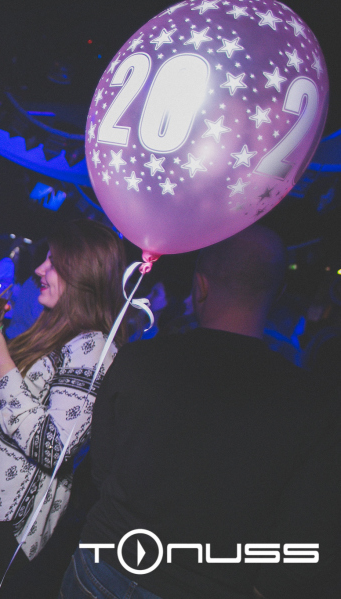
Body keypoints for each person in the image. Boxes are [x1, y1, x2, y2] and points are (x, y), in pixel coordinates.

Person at [62, 225, 340, 599]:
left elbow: (101, 468)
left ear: (201, 286)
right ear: (277, 293)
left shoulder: (139, 359)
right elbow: (308, 529)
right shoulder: (312, 403)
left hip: (104, 567)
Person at [0, 219, 126, 597]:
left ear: (83, 273)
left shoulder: (94, 348)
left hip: (4, 519)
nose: (39, 269)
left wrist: (0, 362)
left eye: (53, 261)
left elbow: (56, 447)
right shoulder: (56, 330)